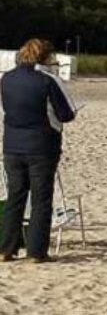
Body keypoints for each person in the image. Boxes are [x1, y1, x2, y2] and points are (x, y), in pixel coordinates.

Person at [1, 39, 77, 263]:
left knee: (15, 197)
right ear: (44, 57)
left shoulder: (6, 78)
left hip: (12, 146)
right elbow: (66, 114)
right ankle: (36, 251)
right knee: (41, 199)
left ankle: (7, 248)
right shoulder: (47, 81)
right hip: (41, 146)